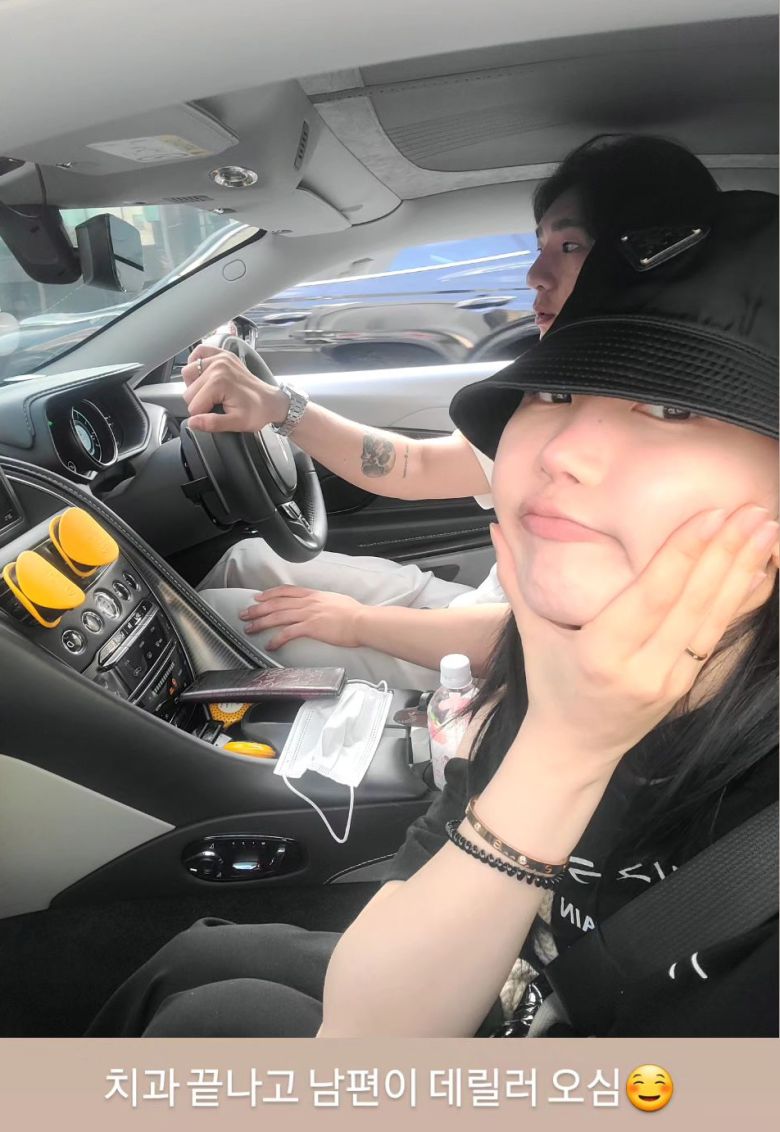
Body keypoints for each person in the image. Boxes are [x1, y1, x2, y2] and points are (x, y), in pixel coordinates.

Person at [87, 186, 778, 1038]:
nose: (562, 450)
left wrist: (566, 744)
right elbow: (373, 1017)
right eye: (555, 394)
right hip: (513, 983)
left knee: (217, 1020)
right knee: (200, 969)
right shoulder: (546, 672)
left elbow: (368, 1052)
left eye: (671, 409)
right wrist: (562, 734)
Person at [189, 136, 719, 688]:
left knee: (209, 622)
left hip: (499, 662)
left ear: (650, 258)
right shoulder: (555, 393)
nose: (534, 274)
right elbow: (413, 466)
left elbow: (552, 645)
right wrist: (281, 408)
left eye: (570, 246)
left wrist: (355, 622)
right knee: (244, 560)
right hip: (478, 610)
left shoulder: (671, 452)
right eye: (541, 245)